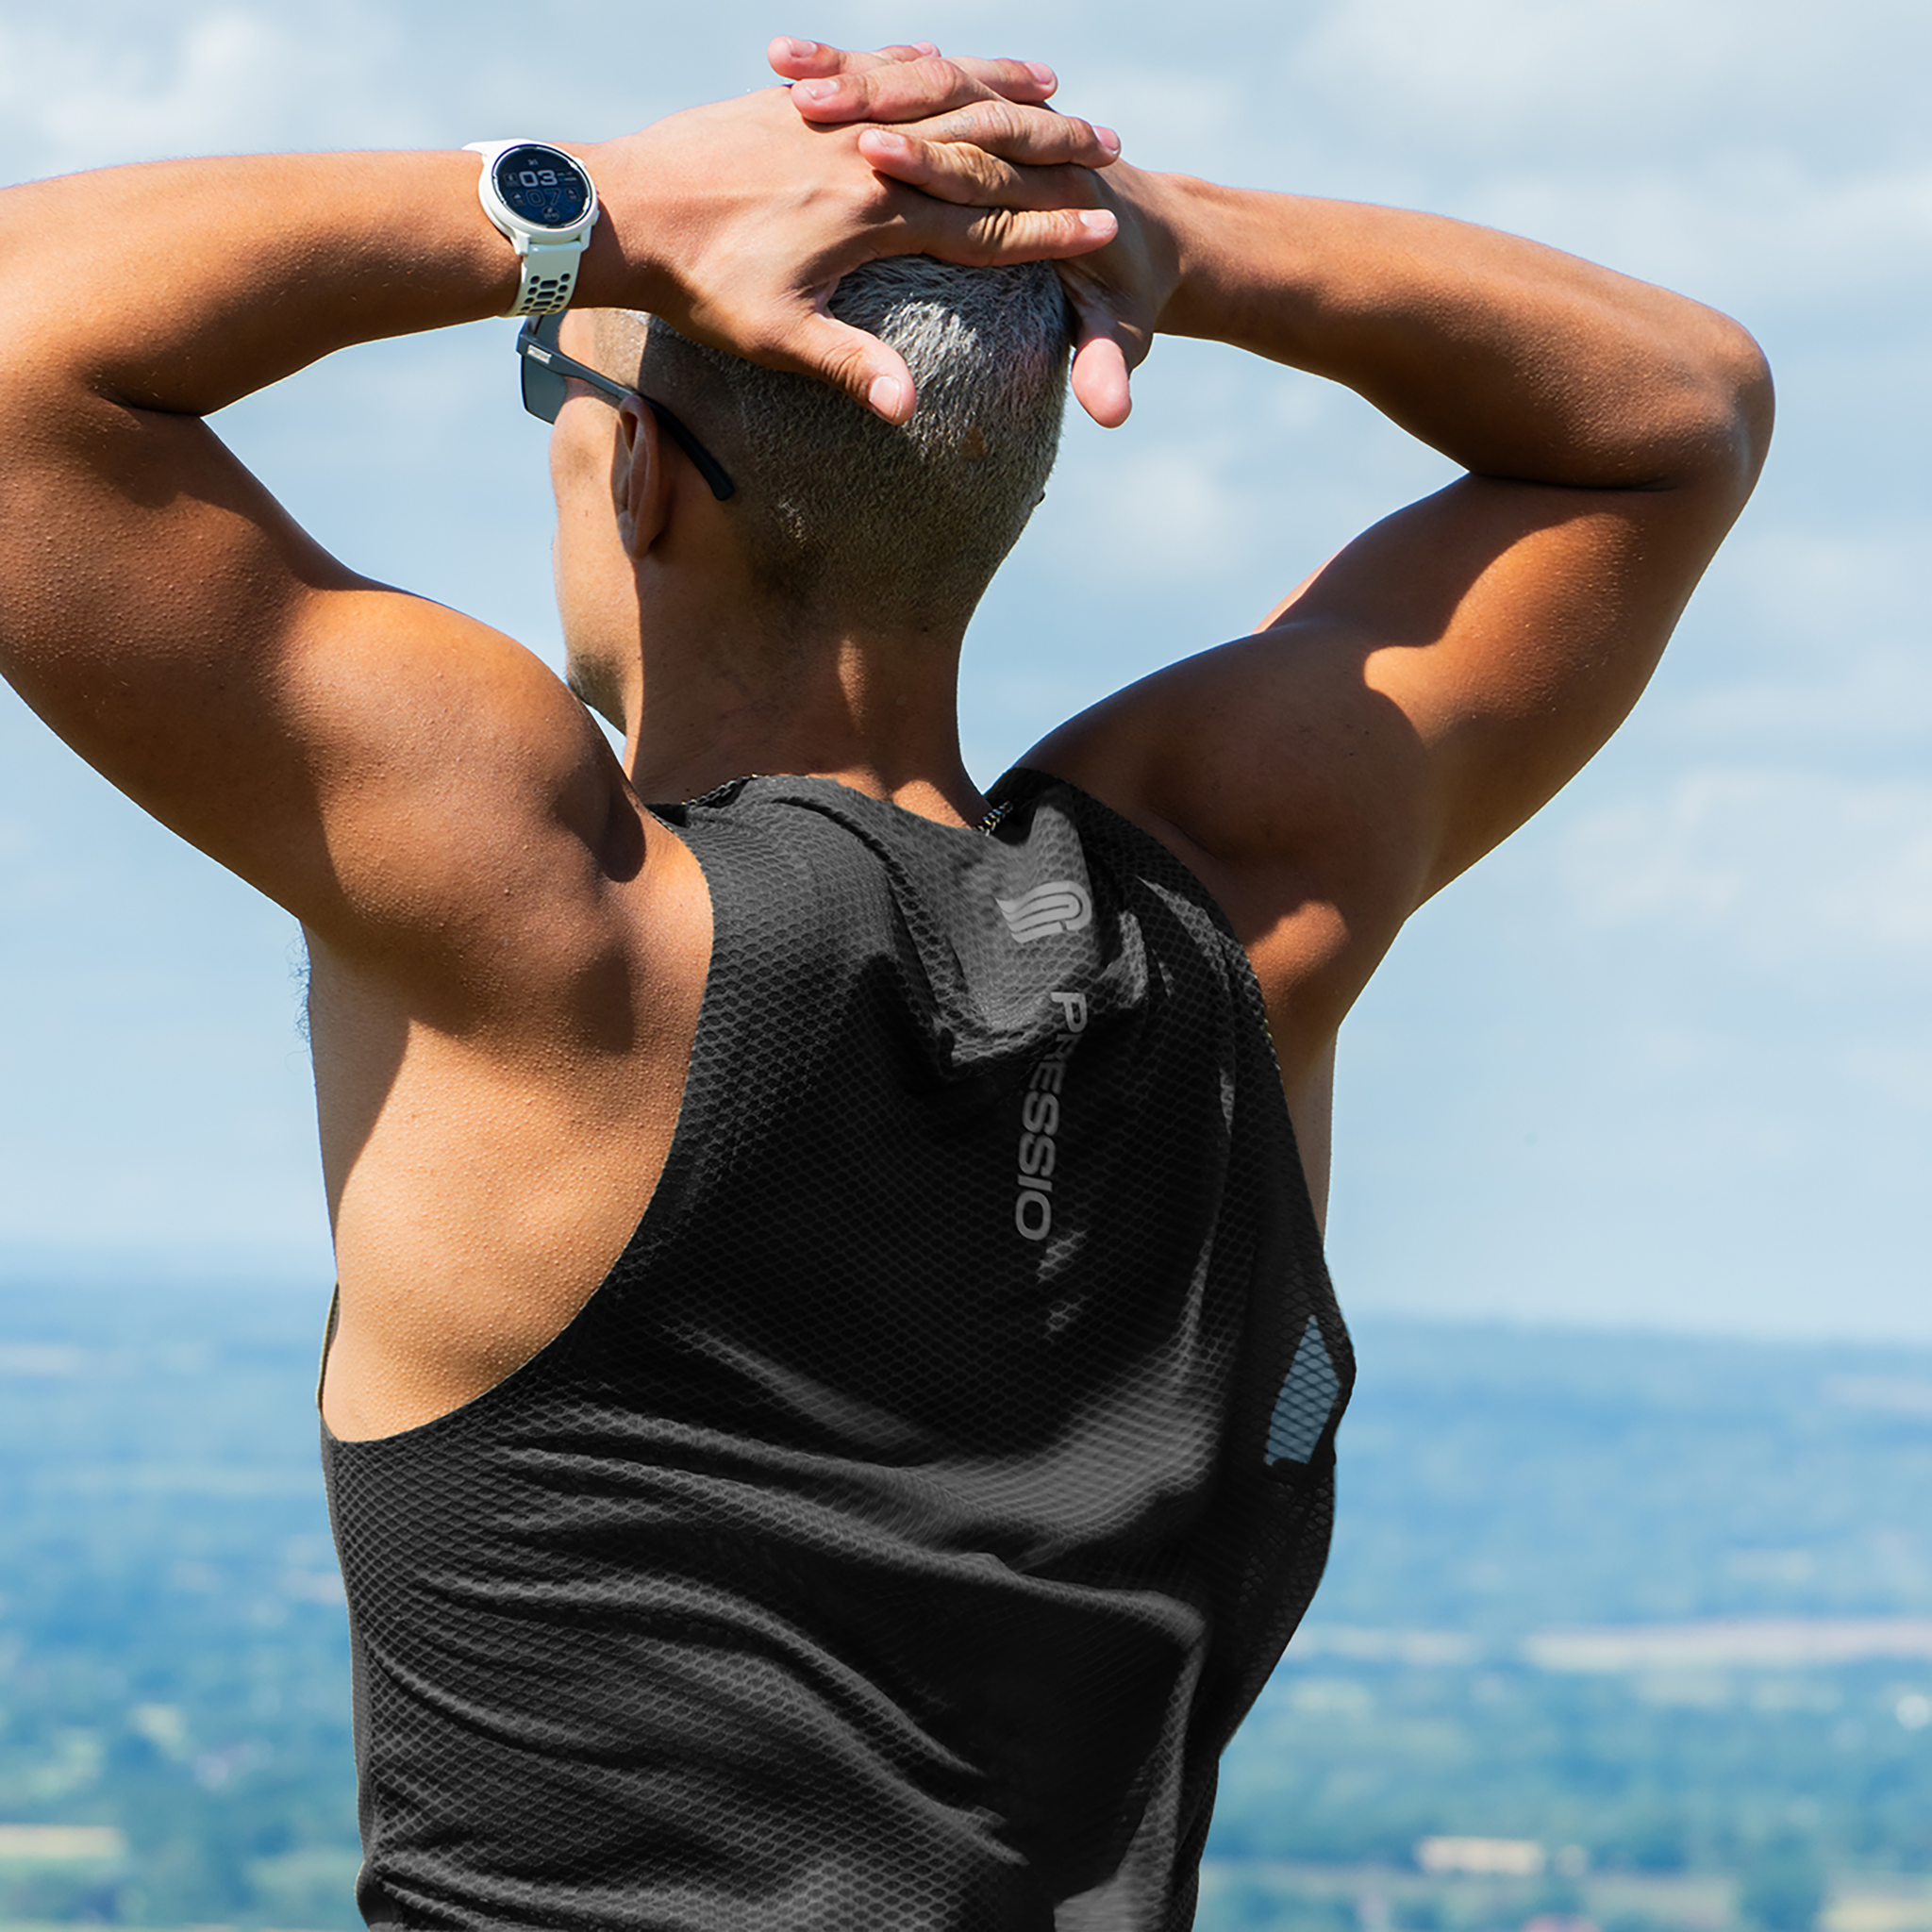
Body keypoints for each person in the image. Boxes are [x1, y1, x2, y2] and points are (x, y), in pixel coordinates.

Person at [0, 33, 1772, 1932]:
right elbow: (1680, 411)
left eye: (561, 386)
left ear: (640, 477)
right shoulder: (1232, 892)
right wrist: (1145, 231)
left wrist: (598, 211)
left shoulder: (542, 915)